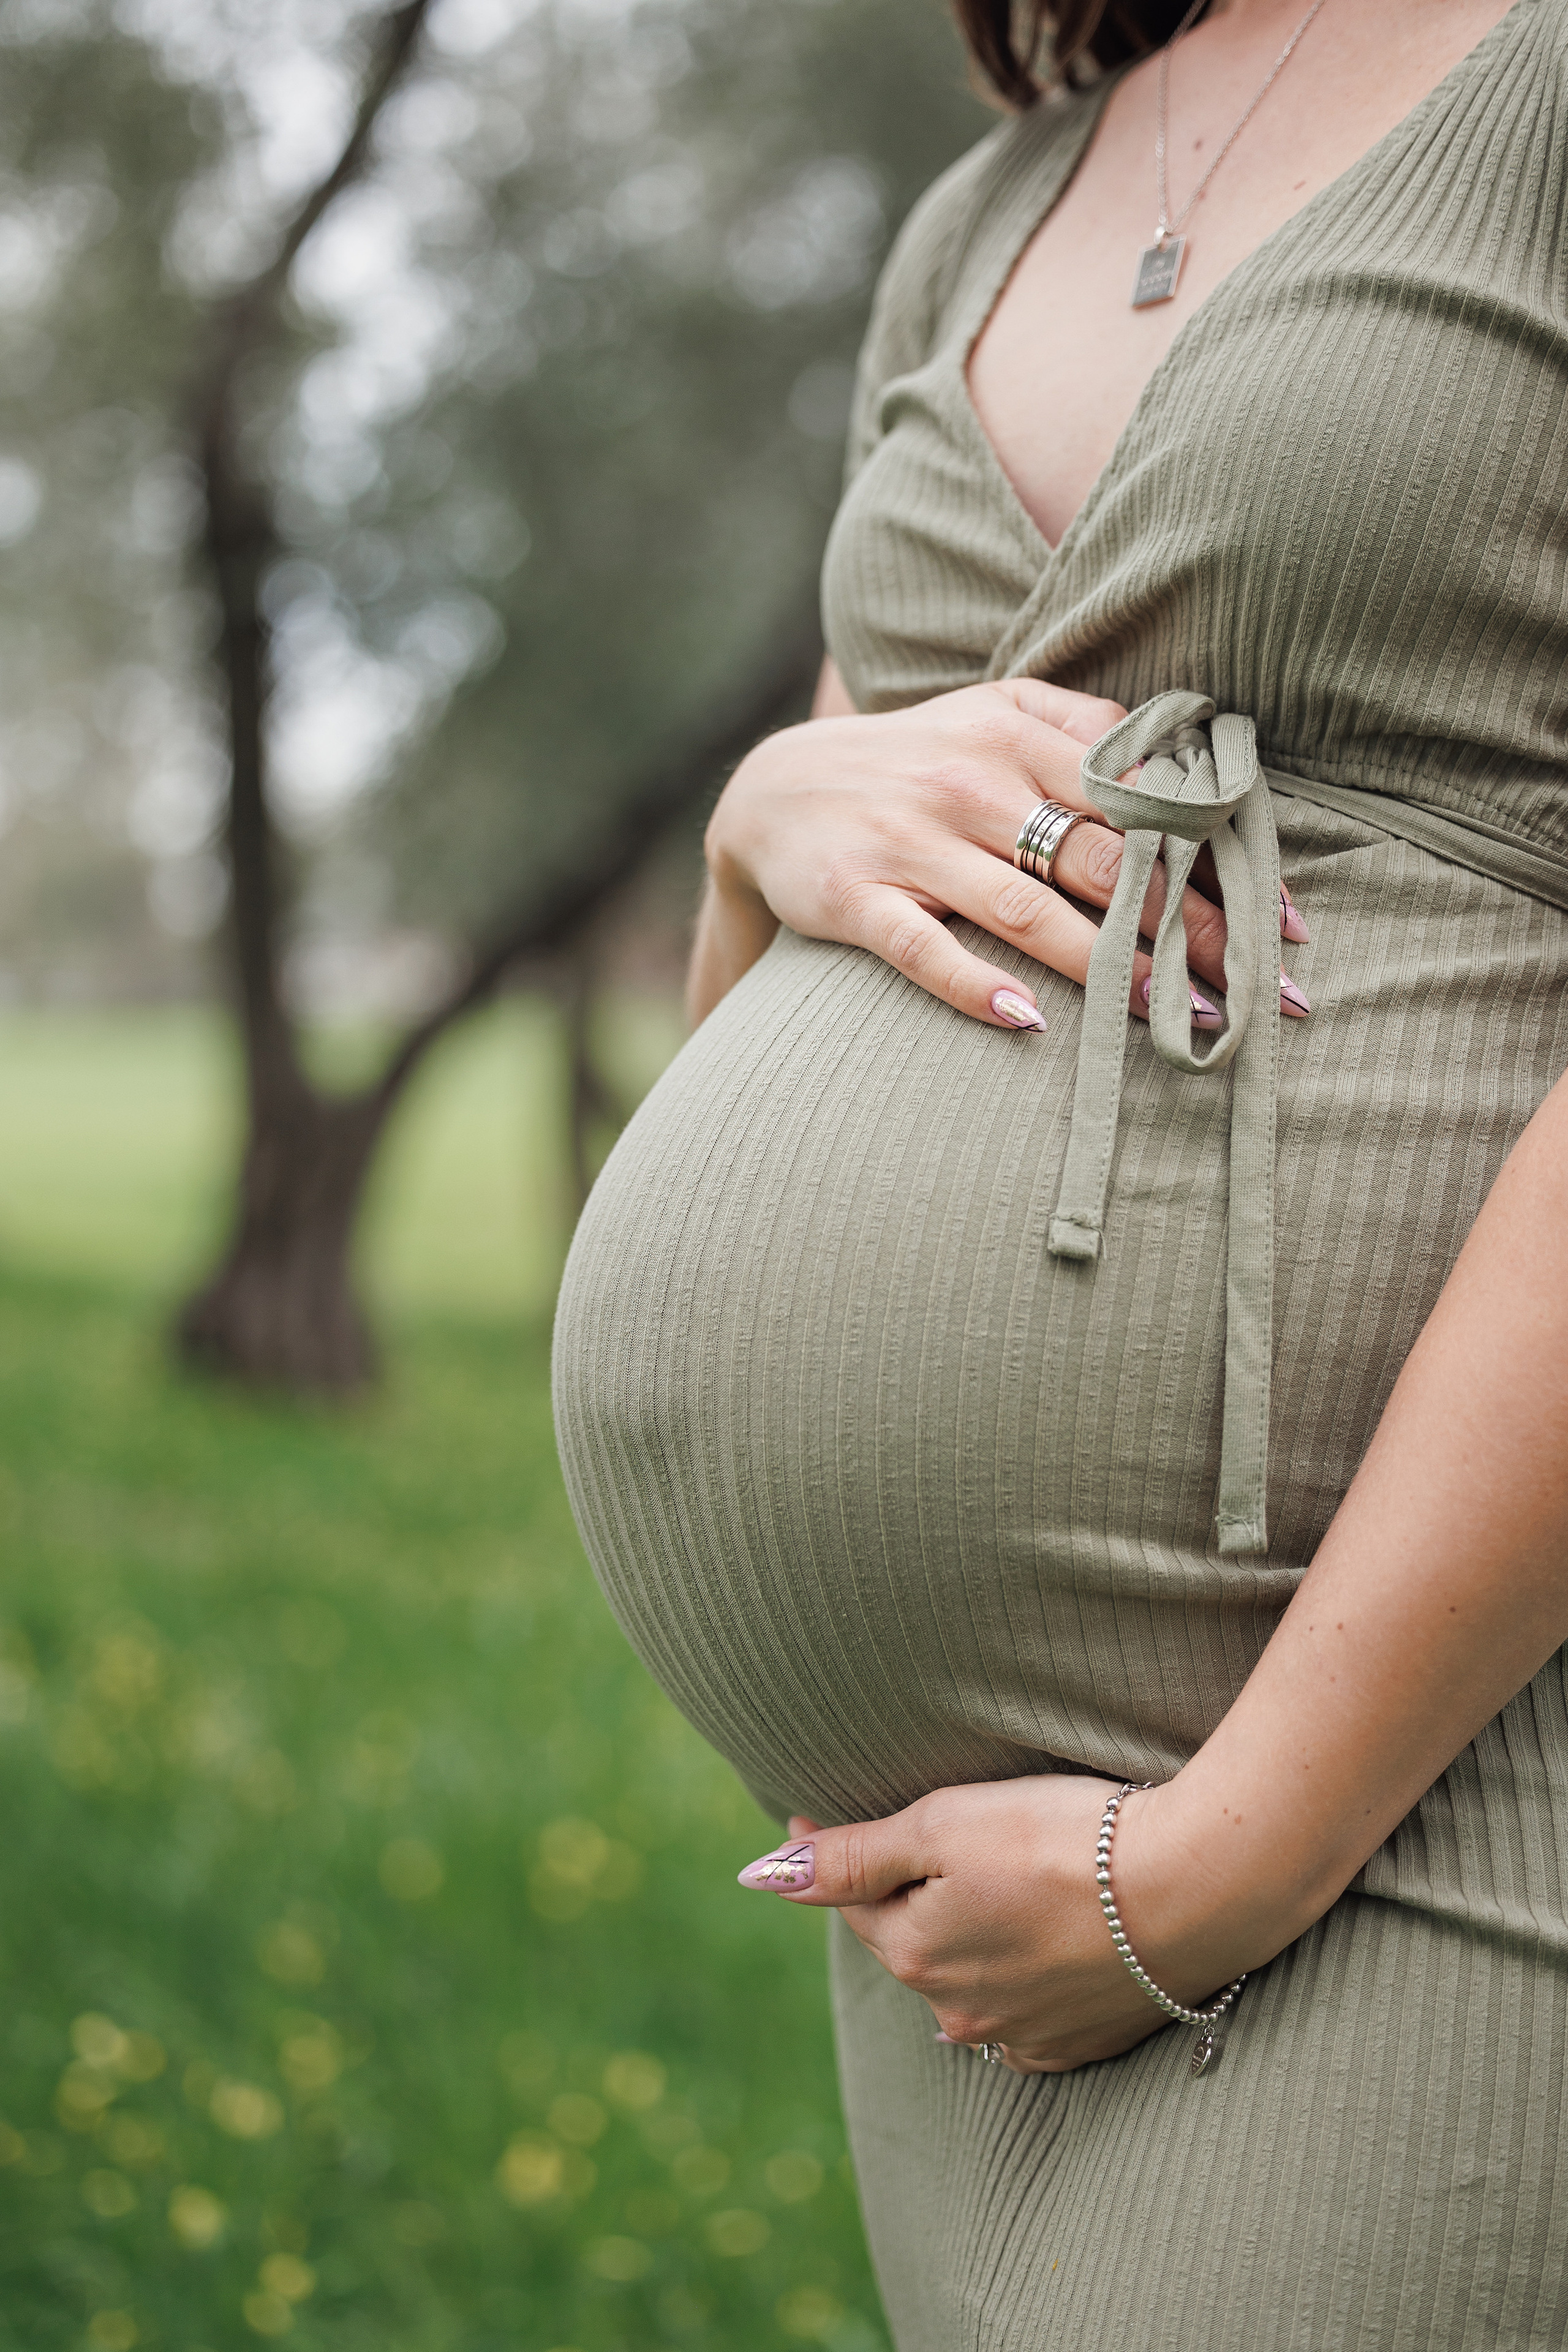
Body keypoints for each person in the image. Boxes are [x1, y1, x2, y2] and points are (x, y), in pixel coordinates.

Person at [552, 0, 1568, 2342]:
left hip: (1407, 1797)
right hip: (977, 1914)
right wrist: (759, 831)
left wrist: (1226, 1854)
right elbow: (815, 991)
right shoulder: (988, 212)